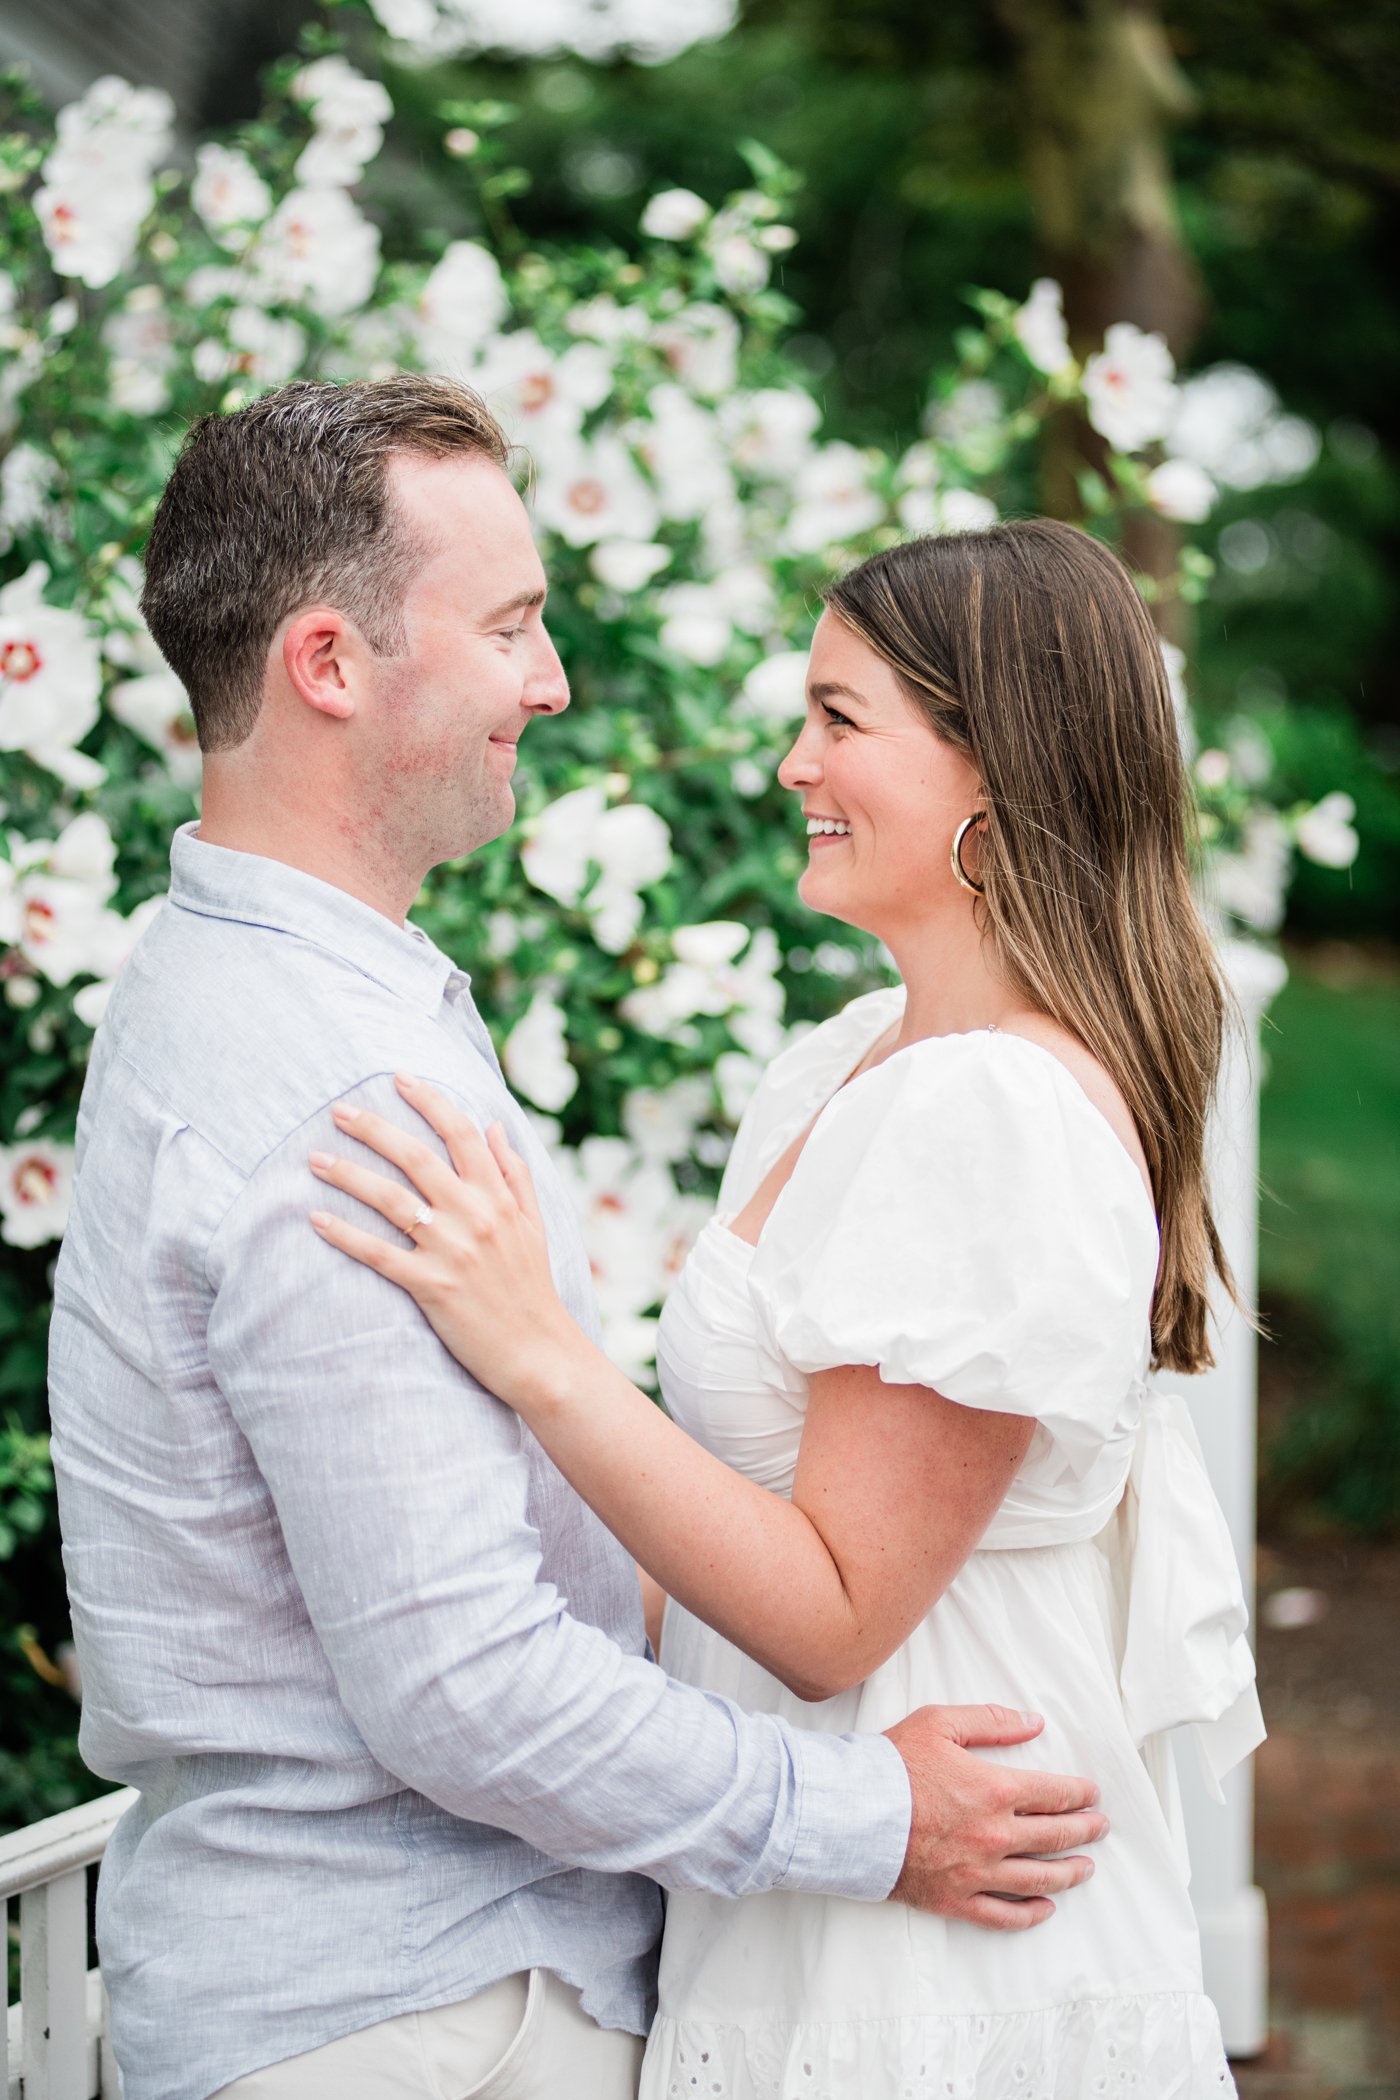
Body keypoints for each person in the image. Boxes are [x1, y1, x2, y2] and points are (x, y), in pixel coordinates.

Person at [47, 378, 1108, 2100]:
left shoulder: (219, 983)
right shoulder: (340, 1089)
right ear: (329, 663)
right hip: (422, 2019)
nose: (547, 680)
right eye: (512, 625)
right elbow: (465, 1682)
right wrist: (873, 1818)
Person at [308, 517, 1266, 2097]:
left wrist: (537, 1349)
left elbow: (836, 1615)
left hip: (942, 1940)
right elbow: (730, 1524)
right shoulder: (845, 1061)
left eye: (840, 720)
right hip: (812, 1880)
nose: (788, 767)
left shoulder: (994, 1111)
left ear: (990, 771)